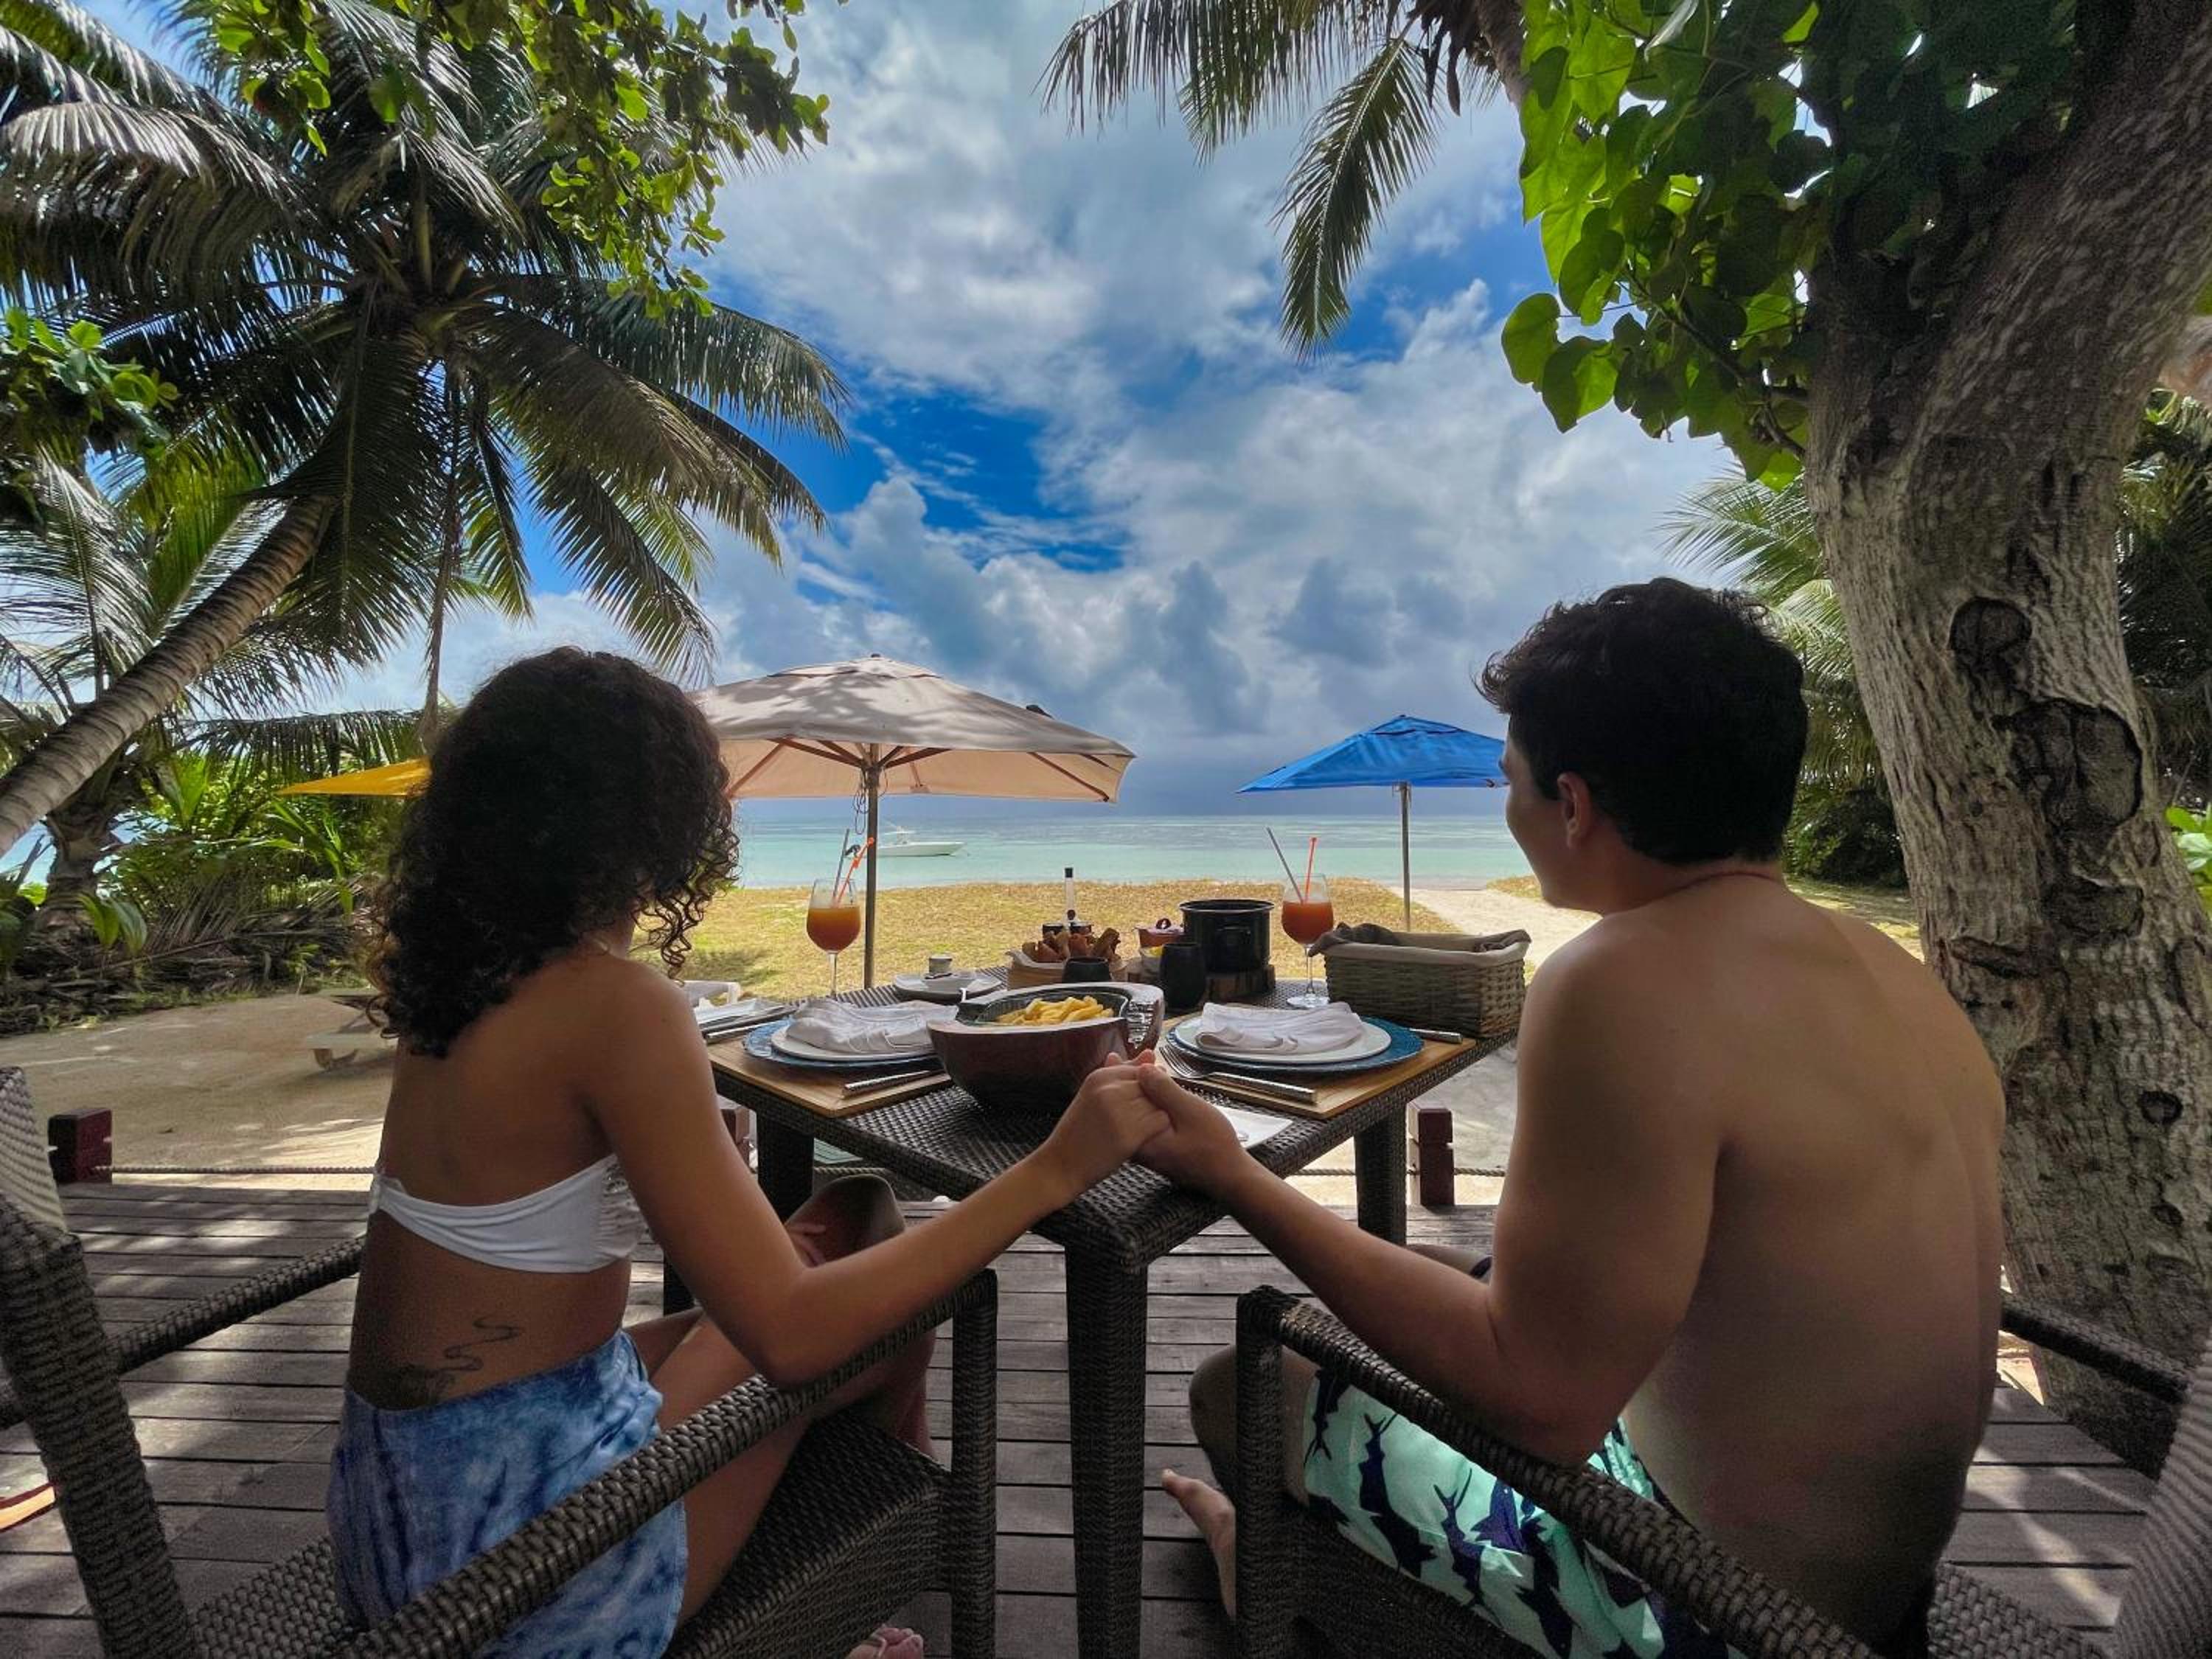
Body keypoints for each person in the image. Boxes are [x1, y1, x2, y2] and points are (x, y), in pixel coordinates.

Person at [1131, 579, 2002, 1658]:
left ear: (1574, 804)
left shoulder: (1625, 976)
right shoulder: (1895, 975)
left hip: (1706, 1606)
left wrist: (1235, 1174)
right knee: (1435, 1287)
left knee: (1247, 1386)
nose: (1510, 809)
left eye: (1512, 781)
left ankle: (1268, 1572)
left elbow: (1539, 1401)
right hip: (1877, 1599)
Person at [329, 648, 1167, 1658]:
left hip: (396, 1517)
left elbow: (519, 1216)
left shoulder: (460, 986)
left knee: (857, 1216)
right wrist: (1055, 1171)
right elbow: (792, 1337)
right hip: (531, 1576)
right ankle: (860, 1582)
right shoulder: (614, 1003)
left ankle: (862, 1571)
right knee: (885, 1310)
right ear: (661, 826)